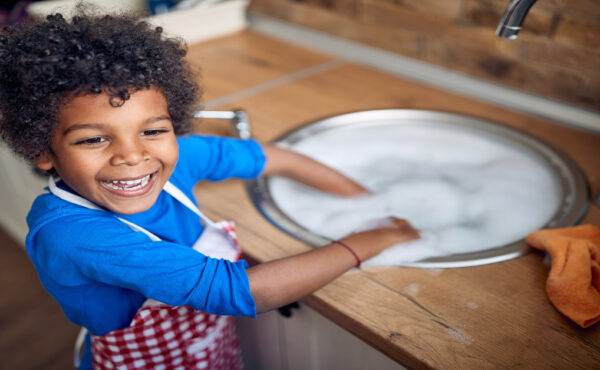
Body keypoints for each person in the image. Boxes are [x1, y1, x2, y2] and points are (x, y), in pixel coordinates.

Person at [0, 11, 419, 370]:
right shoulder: (72, 235)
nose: (132, 155)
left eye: (153, 130)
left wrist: (365, 200)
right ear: (43, 151)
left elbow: (275, 157)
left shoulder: (176, 157)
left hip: (207, 346)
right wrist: (373, 238)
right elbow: (237, 291)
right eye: (93, 139)